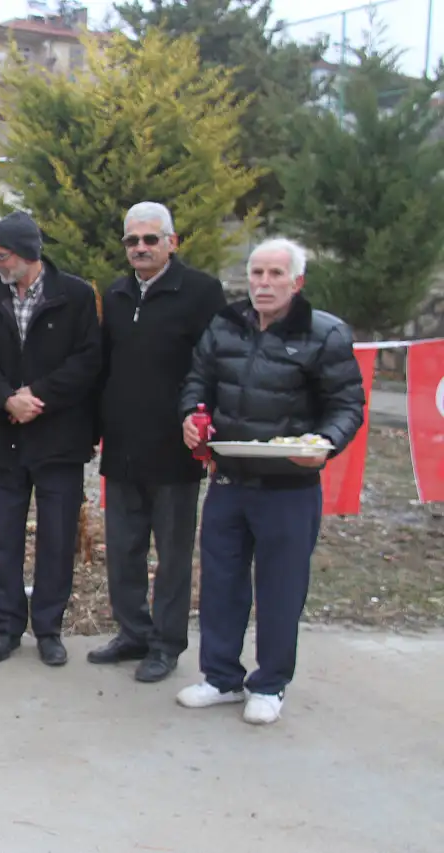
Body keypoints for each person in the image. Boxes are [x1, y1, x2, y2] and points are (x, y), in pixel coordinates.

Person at [176, 237, 364, 725]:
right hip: (228, 479)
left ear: (296, 282)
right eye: (257, 273)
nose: (263, 283)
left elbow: (347, 404)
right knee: (220, 583)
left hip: (289, 488)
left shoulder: (325, 334)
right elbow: (198, 380)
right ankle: (220, 677)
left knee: (281, 589)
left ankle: (270, 684)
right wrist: (190, 417)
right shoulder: (225, 324)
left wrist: (323, 444)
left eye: (275, 274)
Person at [90, 201, 227, 683]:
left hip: (176, 449)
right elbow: (105, 368)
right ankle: (133, 633)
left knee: (171, 556)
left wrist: (205, 428)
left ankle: (166, 645)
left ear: (173, 242)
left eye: (151, 239)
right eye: (132, 240)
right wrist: (95, 431)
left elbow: (214, 366)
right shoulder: (118, 293)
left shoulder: (203, 293)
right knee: (123, 549)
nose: (141, 248)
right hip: (123, 446)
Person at [0, 212, 102, 667]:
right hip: (5, 439)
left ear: (28, 254)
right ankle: (7, 626)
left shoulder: (77, 297)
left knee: (56, 537)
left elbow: (89, 361)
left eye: (1, 256)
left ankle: (48, 628)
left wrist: (39, 395)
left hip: (59, 438)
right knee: (2, 537)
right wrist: (8, 400)